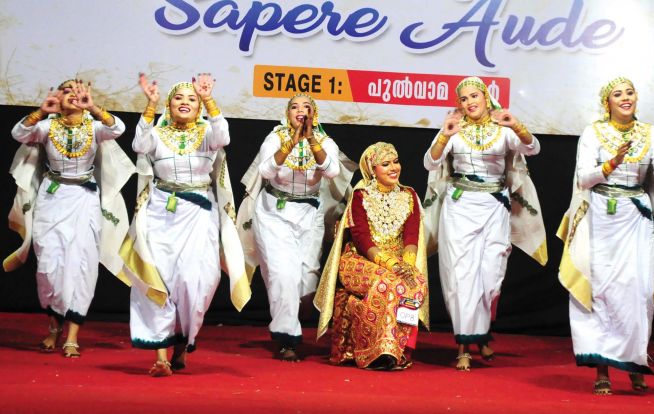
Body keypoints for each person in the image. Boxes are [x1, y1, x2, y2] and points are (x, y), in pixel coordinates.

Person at [118, 73, 249, 377]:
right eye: (179, 98)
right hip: (160, 213)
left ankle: (181, 344)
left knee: (195, 282)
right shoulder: (157, 133)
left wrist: (209, 99)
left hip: (199, 214)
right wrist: (149, 106)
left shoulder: (206, 132)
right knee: (158, 279)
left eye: (192, 98)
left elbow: (223, 137)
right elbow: (139, 144)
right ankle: (161, 357)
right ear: (169, 104)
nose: (185, 102)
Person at [556, 77, 654, 395]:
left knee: (637, 292)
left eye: (629, 92)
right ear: (607, 102)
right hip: (599, 217)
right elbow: (584, 179)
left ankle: (635, 362)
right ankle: (602, 369)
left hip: (636, 218)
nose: (625, 98)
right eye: (617, 94)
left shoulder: (652, 134)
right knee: (600, 291)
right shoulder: (592, 133)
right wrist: (609, 165)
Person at [423, 76, 547, 371]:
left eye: (474, 96)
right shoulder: (454, 128)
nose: (469, 102)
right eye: (463, 99)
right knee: (462, 275)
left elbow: (533, 149)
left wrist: (516, 125)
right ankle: (464, 345)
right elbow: (430, 162)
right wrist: (444, 134)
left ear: (486, 97)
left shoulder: (501, 129)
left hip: (494, 206)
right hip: (460, 204)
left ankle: (480, 333)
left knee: (490, 276)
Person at [6, 79, 133, 358]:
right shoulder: (47, 126)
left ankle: (71, 335)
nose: (73, 96)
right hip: (52, 199)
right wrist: (41, 111)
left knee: (81, 264)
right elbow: (19, 133)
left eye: (79, 91)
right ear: (58, 98)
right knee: (49, 266)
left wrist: (95, 108)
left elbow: (118, 128)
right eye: (67, 91)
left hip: (84, 200)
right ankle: (53, 327)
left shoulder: (95, 127)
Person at [237, 93, 353, 362]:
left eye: (307, 107)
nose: (300, 111)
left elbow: (333, 171)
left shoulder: (325, 141)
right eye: (294, 107)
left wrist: (311, 139)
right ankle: (286, 338)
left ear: (315, 113)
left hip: (309, 213)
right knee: (283, 275)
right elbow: (265, 172)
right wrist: (290, 143)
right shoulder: (275, 138)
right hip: (274, 212)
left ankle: (290, 320)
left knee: (306, 282)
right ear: (287, 113)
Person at [313, 142, 428, 370]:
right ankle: (373, 352)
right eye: (385, 164)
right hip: (360, 260)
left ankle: (399, 351)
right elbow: (362, 239)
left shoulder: (409, 195)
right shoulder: (361, 195)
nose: (393, 167)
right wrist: (391, 264)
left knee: (416, 284)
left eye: (395, 162)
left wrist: (406, 264)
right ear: (371, 169)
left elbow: (412, 236)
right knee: (386, 285)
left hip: (398, 262)